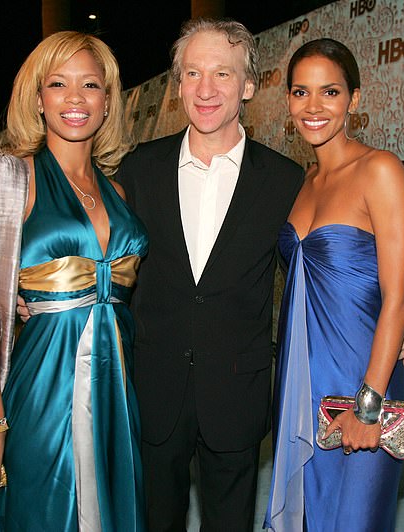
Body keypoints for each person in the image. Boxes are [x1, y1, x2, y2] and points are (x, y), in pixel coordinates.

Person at [0, 31, 147, 531]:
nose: (76, 98)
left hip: (118, 389)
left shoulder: (118, 190)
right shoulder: (9, 178)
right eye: (59, 84)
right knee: (45, 508)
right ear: (38, 99)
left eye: (91, 85)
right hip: (44, 383)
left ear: (108, 101)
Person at [117, 19, 304, 531]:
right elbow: (104, 258)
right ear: (178, 85)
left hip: (236, 391)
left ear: (247, 86)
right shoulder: (139, 169)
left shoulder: (285, 180)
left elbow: (317, 277)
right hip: (155, 385)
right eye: (193, 73)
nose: (206, 89)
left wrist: (384, 331)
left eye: (223, 74)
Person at [264, 38, 404, 532]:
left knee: (356, 521)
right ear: (287, 100)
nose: (313, 107)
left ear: (353, 98)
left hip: (361, 381)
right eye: (300, 92)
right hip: (301, 384)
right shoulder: (303, 183)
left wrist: (368, 404)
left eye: (329, 92)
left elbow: (399, 296)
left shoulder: (381, 170)